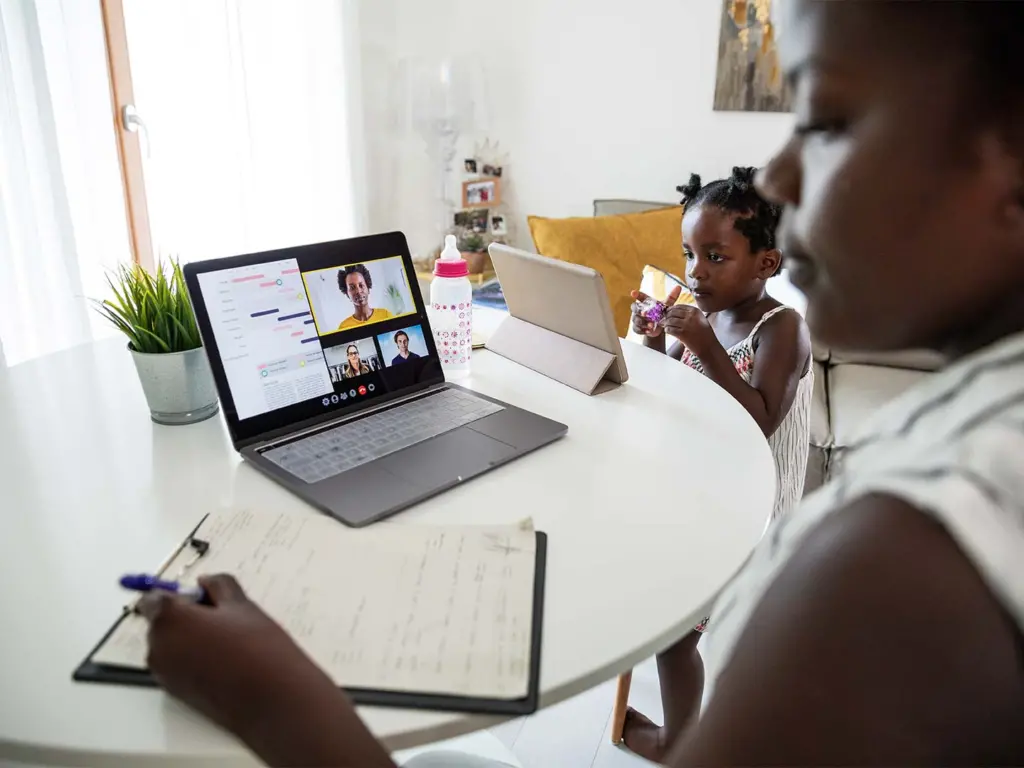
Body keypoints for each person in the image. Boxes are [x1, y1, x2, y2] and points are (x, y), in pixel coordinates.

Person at [136, 3, 1024, 765]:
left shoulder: (900, 565)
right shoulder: (975, 428)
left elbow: (761, 416)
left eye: (827, 120)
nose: (784, 177)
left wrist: (270, 696)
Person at [622, 167, 813, 761]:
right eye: (688, 254)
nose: (695, 271)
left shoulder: (782, 329)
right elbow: (670, 398)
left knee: (677, 639)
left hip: (751, 508)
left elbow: (759, 419)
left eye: (715, 256)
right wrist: (651, 343)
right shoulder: (700, 319)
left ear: (765, 265)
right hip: (703, 491)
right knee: (659, 605)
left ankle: (681, 746)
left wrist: (704, 345)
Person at [337, 264, 394, 331]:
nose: (358, 291)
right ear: (347, 294)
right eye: (352, 287)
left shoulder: (385, 315)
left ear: (368, 289)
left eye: (361, 285)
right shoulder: (344, 327)